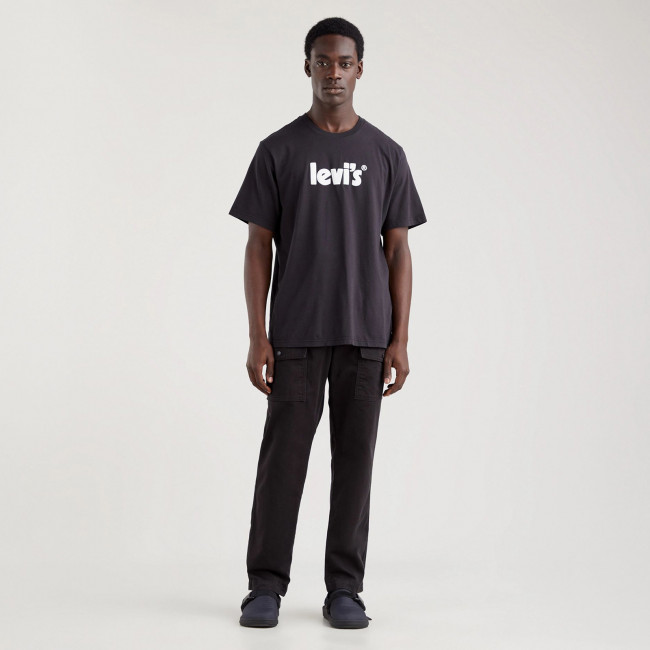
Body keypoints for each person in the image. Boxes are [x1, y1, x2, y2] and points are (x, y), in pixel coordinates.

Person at [228, 16, 427, 629]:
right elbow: (258, 245)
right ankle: (265, 586)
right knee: (282, 465)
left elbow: (399, 249)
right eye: (322, 61)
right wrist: (258, 334)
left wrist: (399, 338)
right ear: (307, 67)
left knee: (354, 465)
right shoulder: (278, 150)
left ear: (360, 69)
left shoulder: (386, 154)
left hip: (366, 336)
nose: (333, 73)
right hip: (295, 336)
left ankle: (345, 588)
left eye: (344, 63)